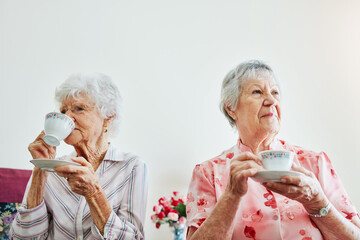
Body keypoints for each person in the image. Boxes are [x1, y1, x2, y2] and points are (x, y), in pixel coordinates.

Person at [186, 60, 360, 239]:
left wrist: (318, 203)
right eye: (257, 92)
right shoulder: (209, 173)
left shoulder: (315, 163)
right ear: (231, 108)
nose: (271, 100)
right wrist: (231, 195)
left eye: (275, 92)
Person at [10, 73, 148, 239]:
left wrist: (94, 193)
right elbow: (20, 238)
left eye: (79, 109)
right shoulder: (52, 168)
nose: (66, 117)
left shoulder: (132, 166)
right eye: (63, 111)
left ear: (108, 118)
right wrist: (41, 168)